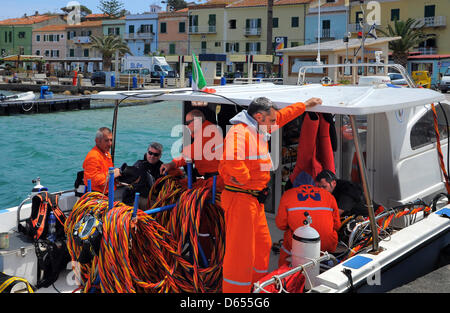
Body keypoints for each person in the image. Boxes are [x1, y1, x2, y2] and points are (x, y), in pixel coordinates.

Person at [219, 96, 322, 293]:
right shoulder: (240, 133)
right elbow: (230, 158)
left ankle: (257, 286)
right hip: (240, 199)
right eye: (272, 121)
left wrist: (306, 105)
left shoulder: (259, 127)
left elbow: (282, 116)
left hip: (254, 200)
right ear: (259, 117)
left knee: (263, 244)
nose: (276, 124)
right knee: (240, 253)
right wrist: (244, 177)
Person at [275, 171, 341, 267]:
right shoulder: (329, 196)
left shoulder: (288, 195)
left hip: (299, 247)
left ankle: (284, 275)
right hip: (326, 246)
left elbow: (281, 225)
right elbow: (337, 225)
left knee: (287, 240)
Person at [160, 109, 224, 191]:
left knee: (184, 194)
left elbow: (189, 154)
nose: (186, 126)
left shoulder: (207, 133)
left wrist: (171, 164)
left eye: (187, 123)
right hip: (211, 179)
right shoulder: (206, 130)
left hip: (216, 181)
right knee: (179, 185)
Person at [83, 127, 121, 194]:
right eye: (106, 141)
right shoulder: (93, 156)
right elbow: (92, 180)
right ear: (97, 141)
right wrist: (112, 174)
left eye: (111, 140)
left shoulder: (106, 153)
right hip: (98, 195)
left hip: (109, 191)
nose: (110, 144)